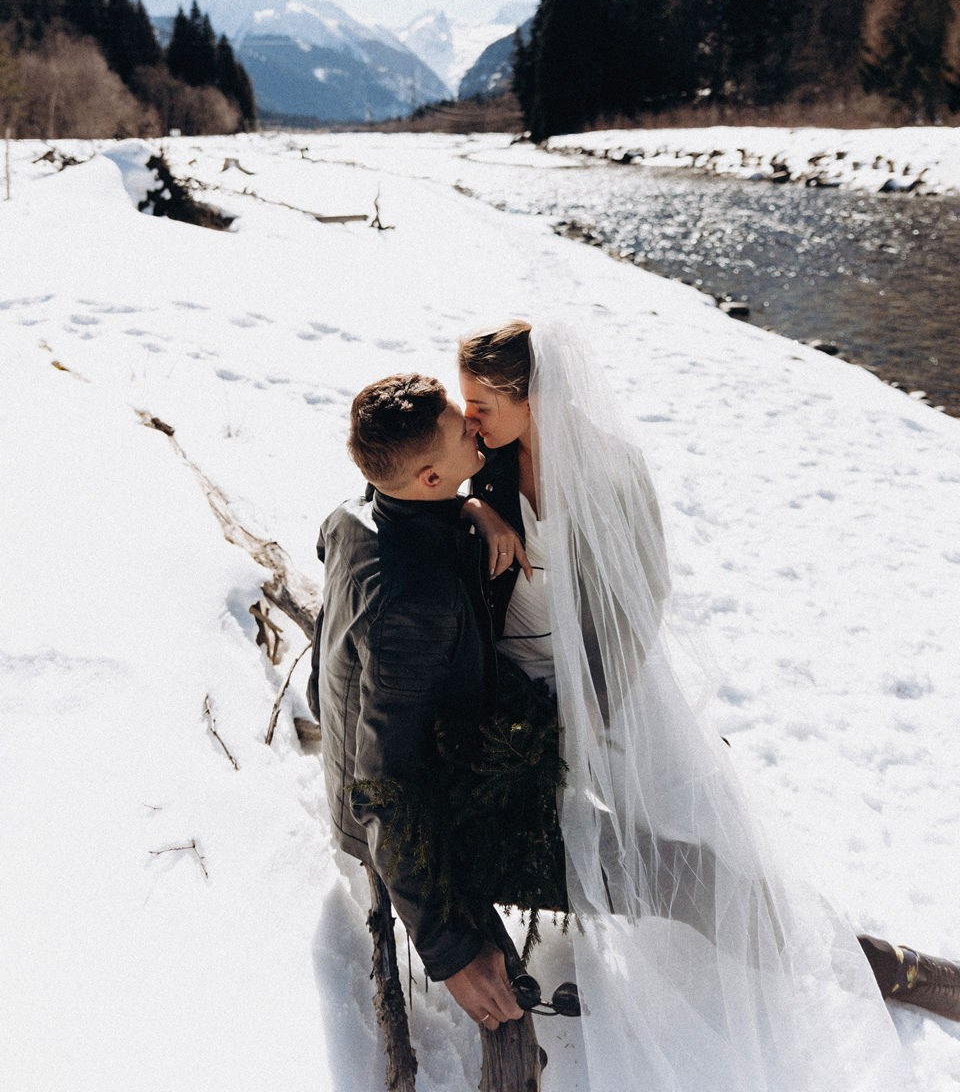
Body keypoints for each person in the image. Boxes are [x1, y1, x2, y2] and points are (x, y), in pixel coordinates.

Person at [456, 319, 960, 1090]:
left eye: (483, 404)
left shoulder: (612, 468)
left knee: (697, 836)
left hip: (605, 680)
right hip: (513, 682)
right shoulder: (482, 459)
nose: (469, 418)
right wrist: (476, 512)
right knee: (589, 839)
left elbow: (644, 594)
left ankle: (862, 962)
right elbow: (411, 485)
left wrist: (594, 705)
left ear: (535, 397)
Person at [313, 372, 527, 1032]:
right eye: (462, 431)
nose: (475, 426)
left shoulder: (350, 515)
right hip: (404, 823)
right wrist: (451, 952)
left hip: (356, 756)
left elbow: (344, 532)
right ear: (429, 477)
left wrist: (467, 507)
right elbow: (387, 784)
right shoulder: (415, 604)